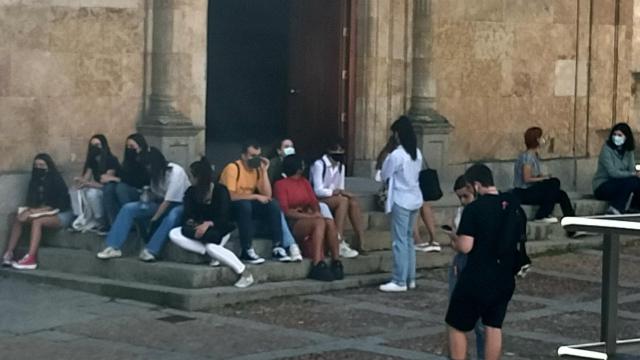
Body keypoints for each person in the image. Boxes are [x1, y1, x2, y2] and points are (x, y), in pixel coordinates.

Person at [446, 164, 520, 360]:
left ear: (477, 185)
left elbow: (466, 246)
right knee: (493, 326)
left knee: (456, 324)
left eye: (470, 188)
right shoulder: (511, 203)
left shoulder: (475, 209)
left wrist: (453, 239)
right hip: (504, 274)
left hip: (478, 275)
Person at [169, 157, 254, 288]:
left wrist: (208, 224)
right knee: (174, 233)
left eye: (192, 176)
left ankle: (243, 271)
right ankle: (212, 255)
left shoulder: (220, 191)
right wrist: (194, 224)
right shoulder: (191, 192)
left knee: (211, 246)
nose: (190, 180)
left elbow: (224, 217)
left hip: (219, 228)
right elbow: (188, 214)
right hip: (199, 228)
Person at [97, 147, 190, 262]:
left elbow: (168, 201)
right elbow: (155, 195)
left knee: (172, 216)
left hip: (179, 205)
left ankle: (151, 250)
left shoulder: (176, 172)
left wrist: (153, 220)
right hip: (158, 202)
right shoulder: (152, 175)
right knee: (129, 208)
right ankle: (113, 246)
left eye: (149, 166)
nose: (148, 168)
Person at [219, 141, 297, 264]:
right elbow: (231, 196)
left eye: (258, 156)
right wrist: (255, 196)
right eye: (252, 156)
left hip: (248, 205)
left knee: (273, 204)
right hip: (231, 207)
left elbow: (267, 195)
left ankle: (278, 247)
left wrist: (264, 171)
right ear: (243, 155)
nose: (255, 159)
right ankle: (247, 249)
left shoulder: (257, 170)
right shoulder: (233, 168)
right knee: (245, 205)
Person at [274, 155, 343, 281]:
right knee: (319, 223)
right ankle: (317, 262)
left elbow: (313, 201)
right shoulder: (280, 185)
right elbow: (285, 211)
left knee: (329, 222)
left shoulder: (304, 182)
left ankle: (336, 260)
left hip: (308, 215)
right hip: (294, 221)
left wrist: (316, 211)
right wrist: (309, 215)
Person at [2, 154, 73, 270]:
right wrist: (27, 211)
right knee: (18, 217)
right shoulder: (34, 181)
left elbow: (55, 205)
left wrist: (32, 211)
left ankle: (31, 257)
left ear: (48, 166)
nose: (38, 168)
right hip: (42, 211)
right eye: (36, 165)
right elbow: (32, 202)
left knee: (37, 221)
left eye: (41, 165)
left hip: (61, 213)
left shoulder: (56, 179)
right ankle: (9, 253)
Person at [378, 116, 424, 292]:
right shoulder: (417, 153)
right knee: (409, 239)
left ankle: (399, 280)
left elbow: (385, 174)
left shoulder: (397, 155)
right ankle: (410, 277)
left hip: (401, 199)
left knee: (399, 241)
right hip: (414, 198)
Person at [375, 136, 439, 253]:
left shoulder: (414, 154)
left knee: (423, 204)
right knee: (410, 206)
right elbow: (382, 176)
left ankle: (433, 238)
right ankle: (418, 240)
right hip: (389, 193)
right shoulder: (391, 155)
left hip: (409, 193)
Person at [445, 176, 485, 360]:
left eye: (465, 196)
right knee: (455, 316)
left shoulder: (480, 211)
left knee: (481, 322)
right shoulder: (461, 212)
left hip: (476, 263)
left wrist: (456, 239)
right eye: (459, 197)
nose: (462, 201)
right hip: (461, 261)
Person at [513, 127, 576, 224]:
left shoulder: (534, 155)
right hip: (524, 192)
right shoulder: (528, 156)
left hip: (532, 190)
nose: (544, 140)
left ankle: (572, 224)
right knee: (554, 182)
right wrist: (544, 178)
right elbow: (527, 178)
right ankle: (542, 215)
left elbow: (534, 175)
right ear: (537, 140)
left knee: (561, 194)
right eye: (541, 137)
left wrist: (542, 176)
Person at [310, 140, 361, 258]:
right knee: (342, 201)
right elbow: (317, 190)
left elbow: (341, 187)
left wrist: (341, 193)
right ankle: (338, 239)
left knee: (351, 201)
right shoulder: (319, 164)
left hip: (333, 197)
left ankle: (361, 240)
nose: (339, 153)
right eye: (336, 150)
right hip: (318, 198)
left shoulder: (340, 166)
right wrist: (333, 192)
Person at [69, 134, 119, 233]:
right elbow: (86, 178)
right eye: (92, 146)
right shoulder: (92, 161)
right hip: (94, 186)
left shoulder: (111, 160)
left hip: (106, 189)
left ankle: (100, 221)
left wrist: (87, 184)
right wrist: (79, 181)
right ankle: (79, 218)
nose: (95, 148)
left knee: (92, 193)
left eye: (97, 145)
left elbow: (106, 184)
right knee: (73, 190)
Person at [102, 133, 150, 228]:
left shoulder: (147, 160)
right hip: (129, 189)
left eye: (132, 146)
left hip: (143, 192)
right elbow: (123, 174)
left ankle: (131, 221)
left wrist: (116, 178)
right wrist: (112, 174)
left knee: (121, 188)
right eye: (127, 146)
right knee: (109, 188)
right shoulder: (128, 161)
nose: (129, 149)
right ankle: (114, 223)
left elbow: (140, 181)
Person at [593, 122, 640, 214]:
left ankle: (635, 208)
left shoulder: (628, 151)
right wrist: (633, 174)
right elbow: (613, 172)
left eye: (619, 135)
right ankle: (615, 207)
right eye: (614, 134)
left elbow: (631, 168)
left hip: (621, 184)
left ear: (626, 137)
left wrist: (635, 174)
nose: (616, 137)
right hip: (603, 186)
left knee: (636, 181)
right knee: (632, 180)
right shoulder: (606, 149)